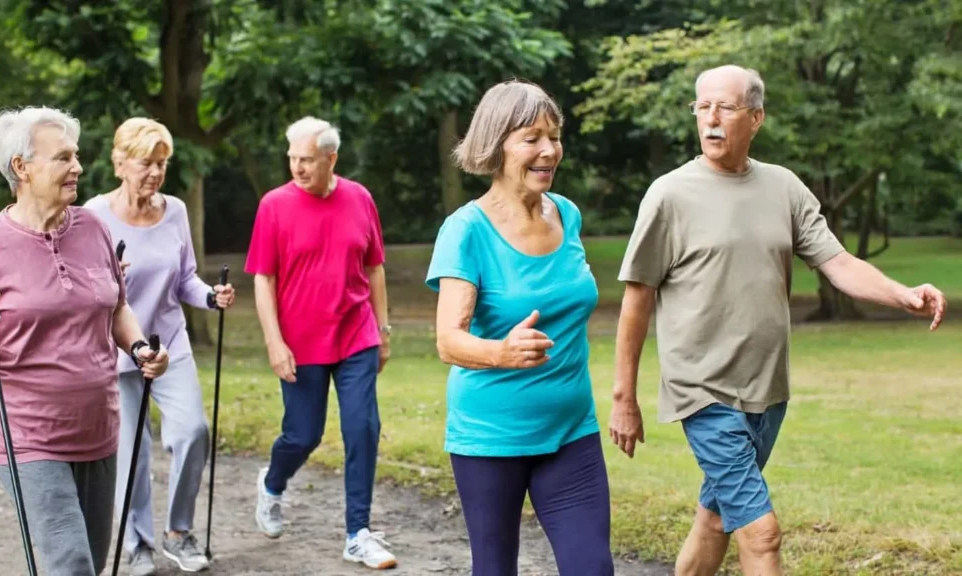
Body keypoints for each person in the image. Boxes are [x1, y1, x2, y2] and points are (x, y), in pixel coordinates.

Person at [611, 64, 948, 576]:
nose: (711, 118)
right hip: (703, 391)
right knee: (762, 534)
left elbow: (838, 263)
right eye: (702, 107)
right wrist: (624, 398)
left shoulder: (783, 187)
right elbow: (637, 299)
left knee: (715, 519)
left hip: (767, 389)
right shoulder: (669, 195)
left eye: (726, 106)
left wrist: (903, 295)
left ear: (757, 117)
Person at [0, 106, 169, 576]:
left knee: (92, 559)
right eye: (64, 157)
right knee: (71, 563)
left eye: (77, 155)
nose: (78, 167)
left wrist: (141, 348)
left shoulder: (92, 228)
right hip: (27, 435)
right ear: (22, 168)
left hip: (98, 428)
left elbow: (117, 306)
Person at [424, 80, 614, 576]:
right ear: (496, 143)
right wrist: (501, 352)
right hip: (491, 437)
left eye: (553, 136)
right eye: (532, 137)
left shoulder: (567, 214)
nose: (548, 150)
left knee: (592, 568)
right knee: (494, 568)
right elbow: (448, 339)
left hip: (571, 430)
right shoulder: (466, 230)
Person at [84, 117, 235, 575]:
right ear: (120, 162)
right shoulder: (93, 216)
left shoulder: (175, 212)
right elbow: (83, 287)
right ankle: (138, 544)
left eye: (162, 164)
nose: (155, 173)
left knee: (193, 431)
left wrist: (210, 296)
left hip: (169, 345)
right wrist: (108, 279)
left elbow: (186, 277)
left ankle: (178, 532)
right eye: (147, 163)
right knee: (130, 454)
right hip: (117, 351)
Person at [244, 116, 396, 569]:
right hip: (300, 342)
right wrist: (274, 342)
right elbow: (263, 279)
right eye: (291, 158)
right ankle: (272, 484)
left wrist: (383, 332)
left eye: (306, 159)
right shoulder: (274, 205)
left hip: (356, 333)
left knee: (362, 428)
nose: (297, 167)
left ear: (331, 158)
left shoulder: (360, 198)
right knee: (303, 435)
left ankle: (358, 532)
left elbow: (375, 269)